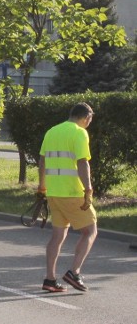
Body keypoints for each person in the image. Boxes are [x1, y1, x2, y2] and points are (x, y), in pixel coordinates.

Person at [38, 102, 97, 293]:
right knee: (90, 231)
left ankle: (50, 279)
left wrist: (42, 187)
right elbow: (82, 162)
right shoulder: (79, 132)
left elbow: (42, 161)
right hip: (73, 192)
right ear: (86, 117)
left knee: (58, 235)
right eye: (90, 119)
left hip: (54, 192)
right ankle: (74, 272)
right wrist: (88, 188)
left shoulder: (52, 131)